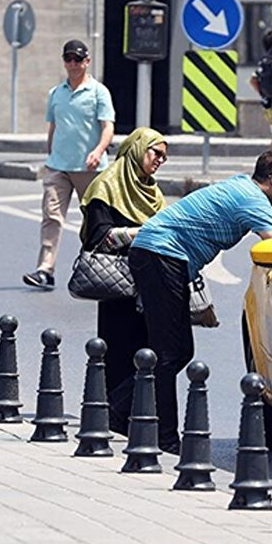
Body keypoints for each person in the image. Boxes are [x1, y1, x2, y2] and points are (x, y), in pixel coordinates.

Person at [127, 150, 272, 453]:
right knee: (170, 352)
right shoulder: (251, 199)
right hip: (161, 255)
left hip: (160, 256)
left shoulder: (245, 191)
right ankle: (163, 436)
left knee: (176, 351)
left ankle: (119, 412)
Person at [77, 128, 168, 434]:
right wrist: (136, 234)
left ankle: (135, 415)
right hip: (116, 284)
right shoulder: (106, 186)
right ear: (137, 149)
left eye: (164, 157)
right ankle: (112, 415)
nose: (159, 161)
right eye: (155, 153)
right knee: (117, 350)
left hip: (148, 282)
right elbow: (97, 236)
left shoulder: (152, 192)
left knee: (148, 350)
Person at [23, 40, 116, 291]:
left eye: (78, 59)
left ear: (86, 62)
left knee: (95, 220)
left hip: (90, 169)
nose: (73, 64)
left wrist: (98, 150)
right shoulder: (56, 93)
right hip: (59, 168)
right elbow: (53, 126)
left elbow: (108, 127)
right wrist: (50, 153)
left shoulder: (98, 92)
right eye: (69, 59)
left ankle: (98, 267)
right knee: (51, 217)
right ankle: (45, 270)